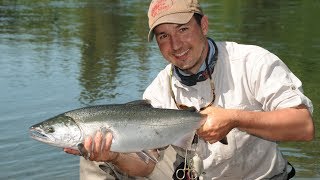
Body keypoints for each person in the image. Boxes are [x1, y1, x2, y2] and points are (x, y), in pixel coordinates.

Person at [64, 0, 315, 179]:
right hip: (189, 173)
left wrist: (235, 118)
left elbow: (303, 126)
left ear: (203, 25)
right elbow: (146, 166)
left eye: (183, 29)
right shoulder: (159, 91)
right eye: (163, 36)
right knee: (96, 163)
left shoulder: (253, 62)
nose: (175, 44)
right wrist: (114, 156)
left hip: (260, 177)